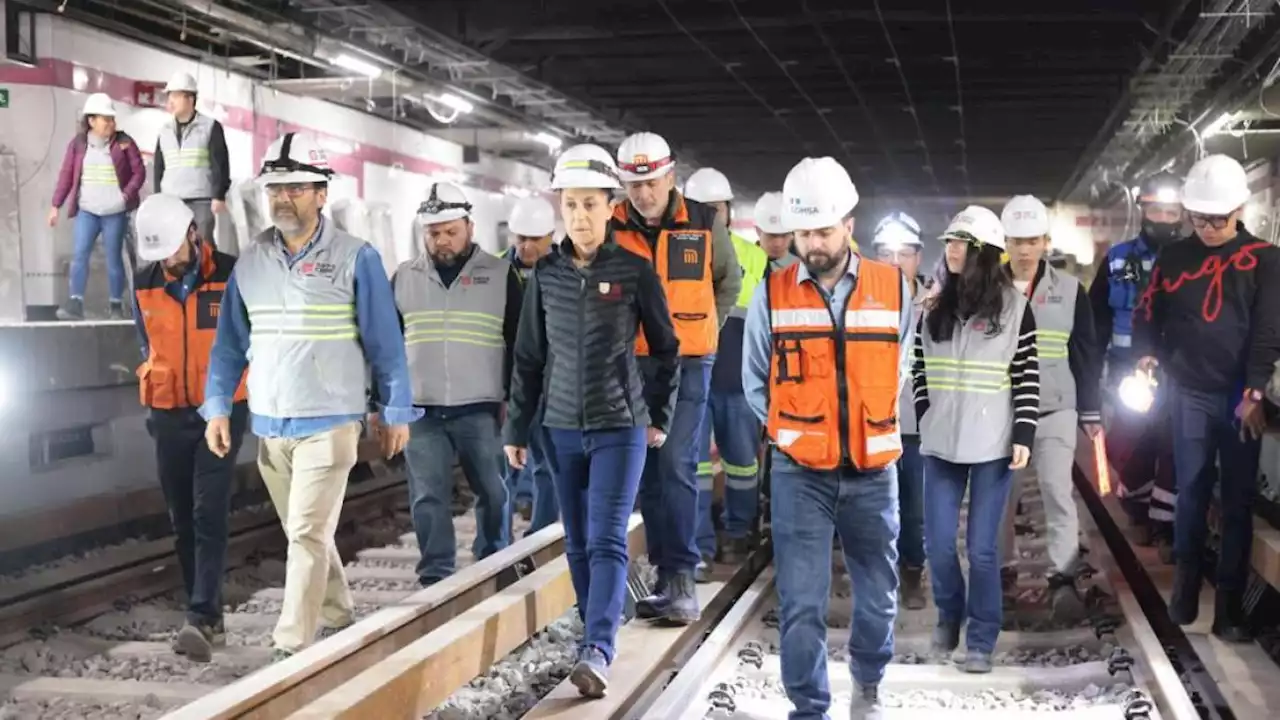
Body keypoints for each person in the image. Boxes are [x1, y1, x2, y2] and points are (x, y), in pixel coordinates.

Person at [201, 132, 419, 660]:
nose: (283, 198)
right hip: (271, 426)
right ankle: (340, 618)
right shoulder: (250, 262)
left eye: (296, 188)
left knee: (304, 534)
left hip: (330, 423)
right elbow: (229, 343)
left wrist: (394, 410)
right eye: (276, 188)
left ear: (322, 193)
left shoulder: (355, 258)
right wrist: (217, 406)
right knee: (310, 534)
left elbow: (385, 342)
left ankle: (289, 648)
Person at [503, 144, 679, 698]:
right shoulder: (546, 277)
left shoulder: (634, 271)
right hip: (559, 427)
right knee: (576, 541)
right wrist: (516, 428)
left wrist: (657, 415)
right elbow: (528, 357)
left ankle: (598, 648)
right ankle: (595, 630)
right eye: (571, 204)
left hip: (618, 425)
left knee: (606, 537)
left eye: (590, 205)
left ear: (611, 208)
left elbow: (668, 349)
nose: (579, 216)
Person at [743, 157, 912, 719]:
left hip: (871, 469)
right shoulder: (772, 292)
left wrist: (868, 421)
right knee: (801, 603)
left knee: (878, 597)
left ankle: (868, 684)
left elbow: (902, 367)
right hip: (800, 472)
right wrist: (797, 433)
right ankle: (809, 709)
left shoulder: (894, 289)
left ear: (849, 223)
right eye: (802, 232)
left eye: (822, 230)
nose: (811, 243)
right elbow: (755, 380)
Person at [1132, 154, 1280, 643]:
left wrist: (1255, 391)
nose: (1210, 228)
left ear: (1239, 209)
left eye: (1218, 219)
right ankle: (1185, 592)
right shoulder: (1175, 257)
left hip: (1241, 397)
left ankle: (1230, 611)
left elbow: (1267, 332)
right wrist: (1147, 354)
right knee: (1192, 491)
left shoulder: (1265, 260)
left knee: (1236, 503)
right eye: (1200, 219)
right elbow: (1148, 311)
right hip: (1189, 391)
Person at [610, 132, 741, 624]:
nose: (643, 193)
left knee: (678, 464)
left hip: (688, 364)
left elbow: (729, 281)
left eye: (651, 182)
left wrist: (707, 327)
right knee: (642, 469)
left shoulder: (704, 224)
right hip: (631, 362)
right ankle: (665, 575)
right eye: (634, 184)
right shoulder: (612, 226)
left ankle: (683, 578)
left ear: (670, 177)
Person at [912, 205, 1039, 674]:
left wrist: (1023, 431)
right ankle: (950, 615)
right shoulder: (934, 306)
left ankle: (981, 637)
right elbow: (920, 369)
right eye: (948, 243)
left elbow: (1026, 376)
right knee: (939, 543)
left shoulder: (1015, 310)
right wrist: (925, 413)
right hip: (942, 442)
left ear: (983, 252)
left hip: (993, 446)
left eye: (959, 243)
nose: (950, 251)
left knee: (983, 549)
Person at [133, 193, 248, 662]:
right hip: (167, 411)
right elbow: (145, 341)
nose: (167, 263)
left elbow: (248, 335)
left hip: (220, 409)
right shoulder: (143, 282)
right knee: (182, 518)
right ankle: (207, 617)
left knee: (208, 510)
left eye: (173, 252)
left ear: (192, 234)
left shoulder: (230, 273)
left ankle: (200, 615)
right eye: (158, 256)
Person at [393, 181, 522, 587]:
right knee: (428, 498)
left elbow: (520, 344)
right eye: (434, 233)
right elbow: (388, 346)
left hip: (482, 408)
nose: (442, 241)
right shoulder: (402, 278)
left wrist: (517, 404)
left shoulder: (502, 275)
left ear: (469, 226)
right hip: (422, 409)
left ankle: (495, 563)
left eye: (451, 231)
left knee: (494, 492)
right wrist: (387, 404)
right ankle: (437, 578)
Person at [999, 195, 1103, 624]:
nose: (1025, 250)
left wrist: (1091, 412)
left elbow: (1085, 352)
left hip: (1055, 407)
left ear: (1045, 241)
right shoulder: (985, 286)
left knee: (1057, 492)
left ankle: (1062, 580)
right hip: (1001, 410)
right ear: (1005, 242)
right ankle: (1001, 576)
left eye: (1032, 241)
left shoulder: (1070, 291)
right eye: (1017, 241)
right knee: (1001, 499)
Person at [1088, 173, 1183, 560]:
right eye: (1157, 209)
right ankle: (1136, 505)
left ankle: (1163, 525)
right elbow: (1099, 317)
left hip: (1179, 373)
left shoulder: (1193, 261)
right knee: (1127, 442)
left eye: (1172, 211)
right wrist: (1089, 374)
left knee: (1172, 446)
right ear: (1143, 210)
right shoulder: (1122, 261)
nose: (1165, 218)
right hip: (1129, 372)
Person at [683, 168, 769, 577]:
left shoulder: (754, 257)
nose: (710, 217)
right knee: (693, 467)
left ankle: (739, 532)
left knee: (742, 462)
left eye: (715, 209)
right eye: (701, 210)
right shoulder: (676, 252)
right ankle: (697, 544)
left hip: (739, 379)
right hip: (692, 379)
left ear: (729, 211)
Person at [870, 211, 931, 611]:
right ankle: (878, 579)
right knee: (875, 509)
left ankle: (912, 574)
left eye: (904, 253)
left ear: (918, 258)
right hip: (873, 423)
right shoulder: (860, 301)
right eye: (886, 253)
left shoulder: (939, 303)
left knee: (915, 510)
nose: (895, 261)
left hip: (921, 426)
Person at [51, 93, 146, 321]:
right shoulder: (78, 145)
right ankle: (75, 302)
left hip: (114, 212)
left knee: (114, 257)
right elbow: (66, 175)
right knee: (80, 255)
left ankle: (115, 304)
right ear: (91, 121)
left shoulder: (124, 143)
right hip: (87, 212)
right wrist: (56, 205)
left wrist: (125, 197)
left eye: (112, 119)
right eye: (106, 119)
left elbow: (139, 172)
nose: (111, 124)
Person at [503, 196, 560, 534]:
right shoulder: (498, 271)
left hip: (551, 384)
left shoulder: (562, 273)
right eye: (520, 238)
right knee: (505, 464)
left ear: (550, 236)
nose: (526, 246)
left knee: (545, 462)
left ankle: (540, 530)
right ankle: (498, 540)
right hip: (509, 381)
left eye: (534, 239)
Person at [154, 71, 231, 247]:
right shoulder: (164, 130)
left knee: (203, 249)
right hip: (171, 201)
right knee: (174, 249)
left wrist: (219, 195)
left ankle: (210, 276)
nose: (170, 101)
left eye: (175, 96)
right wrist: (158, 198)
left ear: (190, 98)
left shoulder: (210, 127)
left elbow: (220, 163)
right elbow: (159, 167)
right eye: (169, 96)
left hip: (200, 201)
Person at [752, 191, 799, 270]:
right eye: (771, 235)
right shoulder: (739, 264)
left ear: (792, 234)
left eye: (784, 235)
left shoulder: (802, 270)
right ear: (758, 231)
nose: (778, 244)